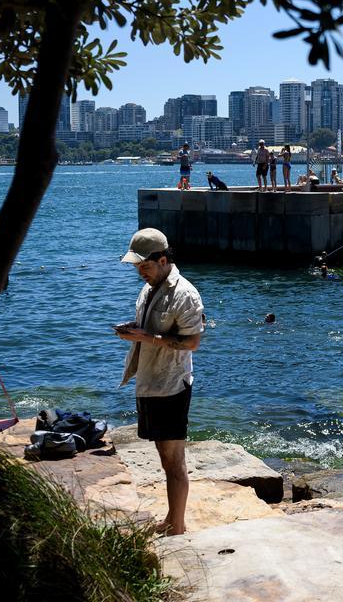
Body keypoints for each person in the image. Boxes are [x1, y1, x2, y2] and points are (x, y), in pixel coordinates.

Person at [115, 229, 204, 536]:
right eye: (137, 267)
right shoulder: (151, 287)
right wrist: (134, 330)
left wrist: (146, 337)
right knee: (164, 458)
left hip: (171, 385)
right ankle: (172, 518)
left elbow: (192, 342)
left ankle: (177, 526)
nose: (140, 272)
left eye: (145, 266)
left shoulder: (185, 294)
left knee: (173, 458)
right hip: (151, 381)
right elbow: (151, 329)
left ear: (163, 260)